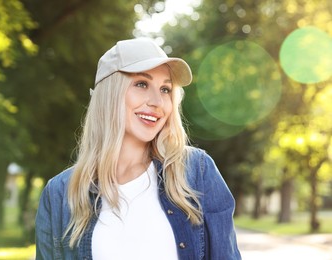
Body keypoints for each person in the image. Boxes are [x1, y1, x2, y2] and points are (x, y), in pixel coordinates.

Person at [35, 38, 242, 260]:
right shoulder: (59, 193)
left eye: (165, 89)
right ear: (110, 93)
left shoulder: (197, 171)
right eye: (142, 84)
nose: (157, 102)